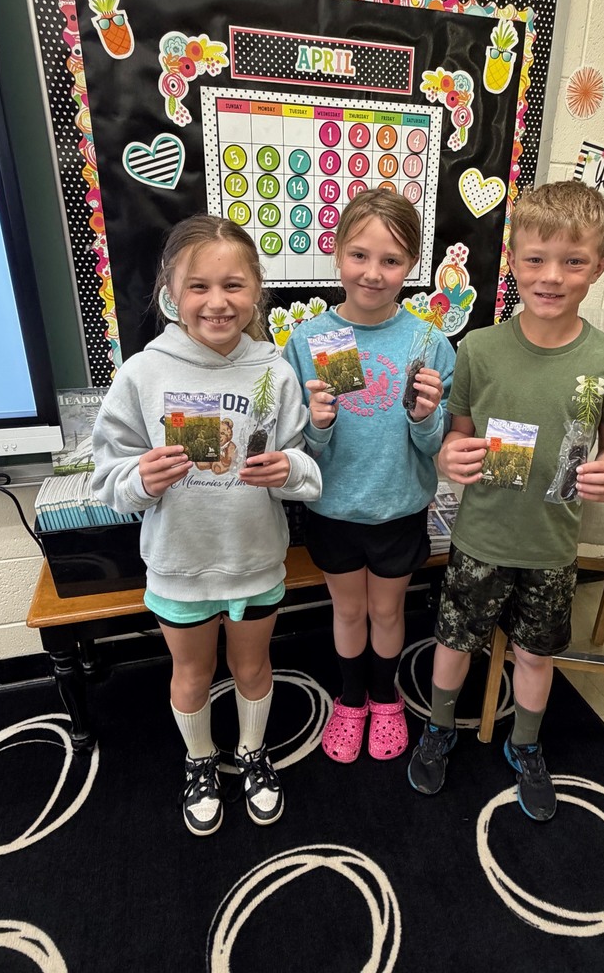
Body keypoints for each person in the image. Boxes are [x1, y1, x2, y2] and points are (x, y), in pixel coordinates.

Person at [407, 181, 604, 821]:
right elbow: (455, 438)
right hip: (481, 535)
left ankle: (527, 743)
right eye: (535, 259)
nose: (552, 277)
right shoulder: (478, 349)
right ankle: (440, 728)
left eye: (572, 261)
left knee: (539, 651)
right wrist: (451, 458)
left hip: (552, 542)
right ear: (511, 258)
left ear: (600, 265)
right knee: (455, 640)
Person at [91, 215, 322, 836]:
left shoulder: (275, 371)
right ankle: (199, 761)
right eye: (198, 287)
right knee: (191, 673)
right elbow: (103, 478)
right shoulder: (143, 373)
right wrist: (141, 479)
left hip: (254, 561)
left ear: (256, 291)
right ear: (171, 292)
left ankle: (252, 753)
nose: (217, 302)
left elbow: (305, 464)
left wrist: (288, 469)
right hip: (179, 566)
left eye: (234, 286)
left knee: (252, 669)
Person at [282, 189, 455, 764]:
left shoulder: (430, 342)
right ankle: (350, 700)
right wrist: (320, 425)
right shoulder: (307, 342)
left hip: (399, 506)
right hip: (333, 510)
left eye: (391, 260)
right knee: (348, 610)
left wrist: (426, 417)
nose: (373, 274)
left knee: (387, 610)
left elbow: (434, 444)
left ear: (412, 265)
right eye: (359, 256)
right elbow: (298, 449)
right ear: (335, 254)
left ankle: (386, 699)